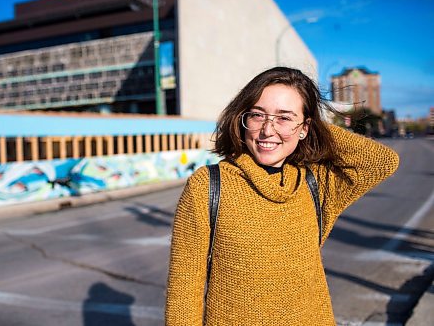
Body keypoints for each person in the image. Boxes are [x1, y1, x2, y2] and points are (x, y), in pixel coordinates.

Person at [165, 67, 399, 325]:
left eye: (284, 118)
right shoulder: (208, 185)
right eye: (257, 115)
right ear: (242, 119)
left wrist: (311, 127)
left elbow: (382, 161)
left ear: (305, 127)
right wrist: (290, 124)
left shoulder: (317, 183)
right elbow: (184, 291)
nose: (267, 130)